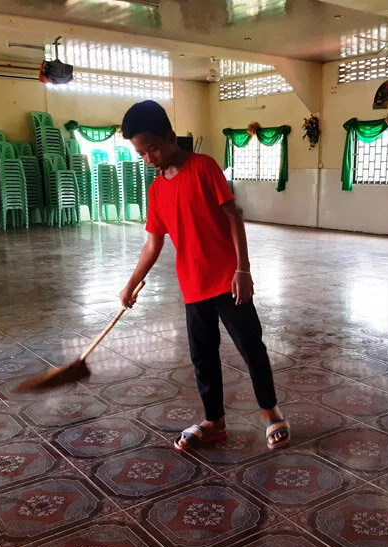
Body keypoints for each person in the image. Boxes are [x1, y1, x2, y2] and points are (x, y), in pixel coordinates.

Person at [119, 100, 290, 452]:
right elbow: (153, 242)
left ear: (170, 137)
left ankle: (271, 413)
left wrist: (243, 269)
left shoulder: (203, 167)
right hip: (193, 285)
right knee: (203, 356)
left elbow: (233, 216)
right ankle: (215, 422)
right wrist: (131, 283)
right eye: (141, 153)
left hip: (227, 280)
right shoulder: (156, 190)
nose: (148, 158)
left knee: (251, 347)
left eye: (152, 148)